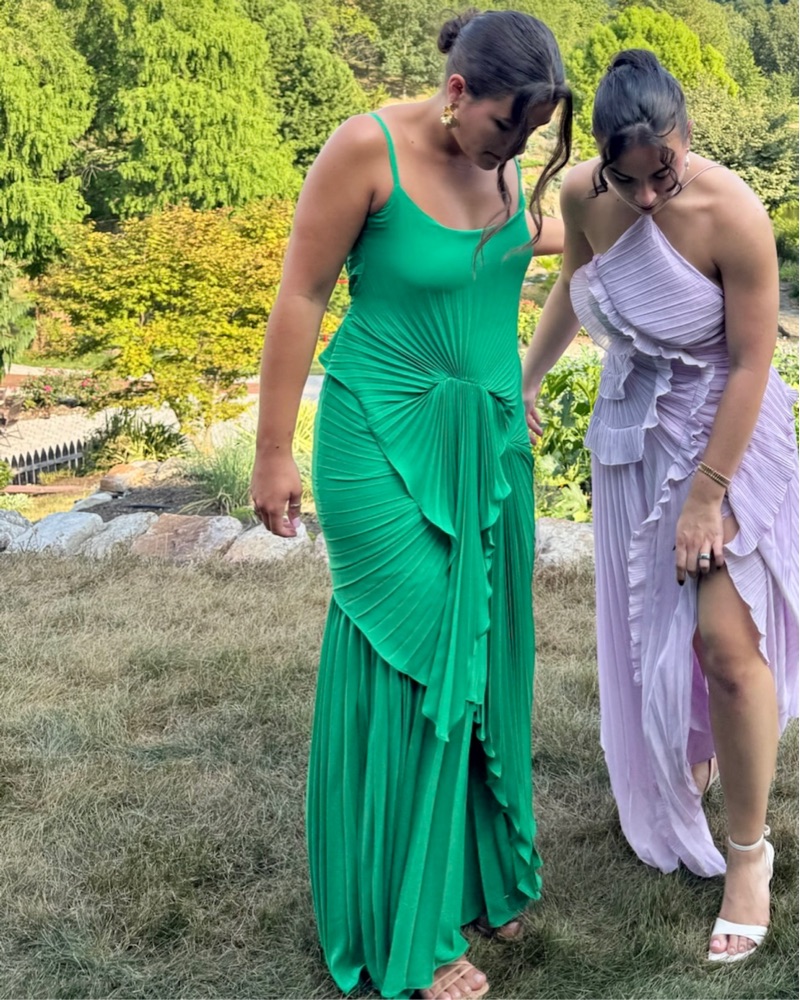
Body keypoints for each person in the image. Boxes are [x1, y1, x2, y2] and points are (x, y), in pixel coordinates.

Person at [250, 8, 572, 998]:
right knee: (413, 663)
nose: (513, 151)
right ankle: (412, 925)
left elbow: (540, 242)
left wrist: (666, 198)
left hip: (487, 447)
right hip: (379, 437)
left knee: (483, 657)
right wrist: (272, 451)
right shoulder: (366, 148)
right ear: (457, 91)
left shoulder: (507, 162)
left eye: (530, 136)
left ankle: (474, 873)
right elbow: (301, 295)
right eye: (504, 128)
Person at [523, 49, 798, 964]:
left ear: (686, 135)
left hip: (726, 437)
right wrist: (527, 379)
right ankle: (695, 759)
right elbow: (574, 287)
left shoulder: (734, 213)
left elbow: (753, 361)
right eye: (626, 177)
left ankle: (748, 856)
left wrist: (707, 496)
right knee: (656, 633)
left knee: (727, 645)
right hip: (634, 437)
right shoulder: (582, 197)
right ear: (601, 156)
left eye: (663, 174)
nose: (645, 196)